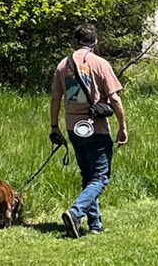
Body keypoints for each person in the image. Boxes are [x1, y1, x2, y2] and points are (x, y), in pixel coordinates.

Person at [50, 22, 128, 238]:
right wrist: (123, 126)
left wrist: (54, 126)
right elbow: (114, 98)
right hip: (97, 127)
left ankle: (95, 224)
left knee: (88, 175)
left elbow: (56, 98)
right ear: (96, 42)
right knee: (101, 177)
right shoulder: (100, 64)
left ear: (75, 42)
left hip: (74, 127)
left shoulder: (62, 66)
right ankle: (76, 212)